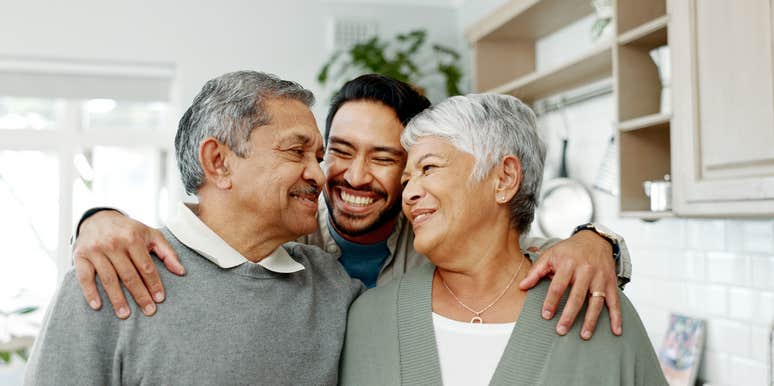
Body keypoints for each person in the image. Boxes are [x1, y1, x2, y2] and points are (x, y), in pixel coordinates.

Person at [72, 74, 630, 339]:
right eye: (335, 151)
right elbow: (207, 233)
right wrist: (95, 220)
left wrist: (599, 242)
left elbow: (520, 257)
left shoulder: (435, 238)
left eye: (385, 159)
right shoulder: (288, 231)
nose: (349, 176)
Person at [26, 71, 363, 385]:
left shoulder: (332, 286)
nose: (319, 177)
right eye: (296, 151)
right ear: (218, 162)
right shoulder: (110, 274)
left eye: (317, 158)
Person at [339, 94, 666, 385]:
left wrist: (597, 240)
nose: (408, 193)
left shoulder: (596, 306)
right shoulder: (370, 318)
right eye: (407, 180)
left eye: (429, 168)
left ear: (504, 179)